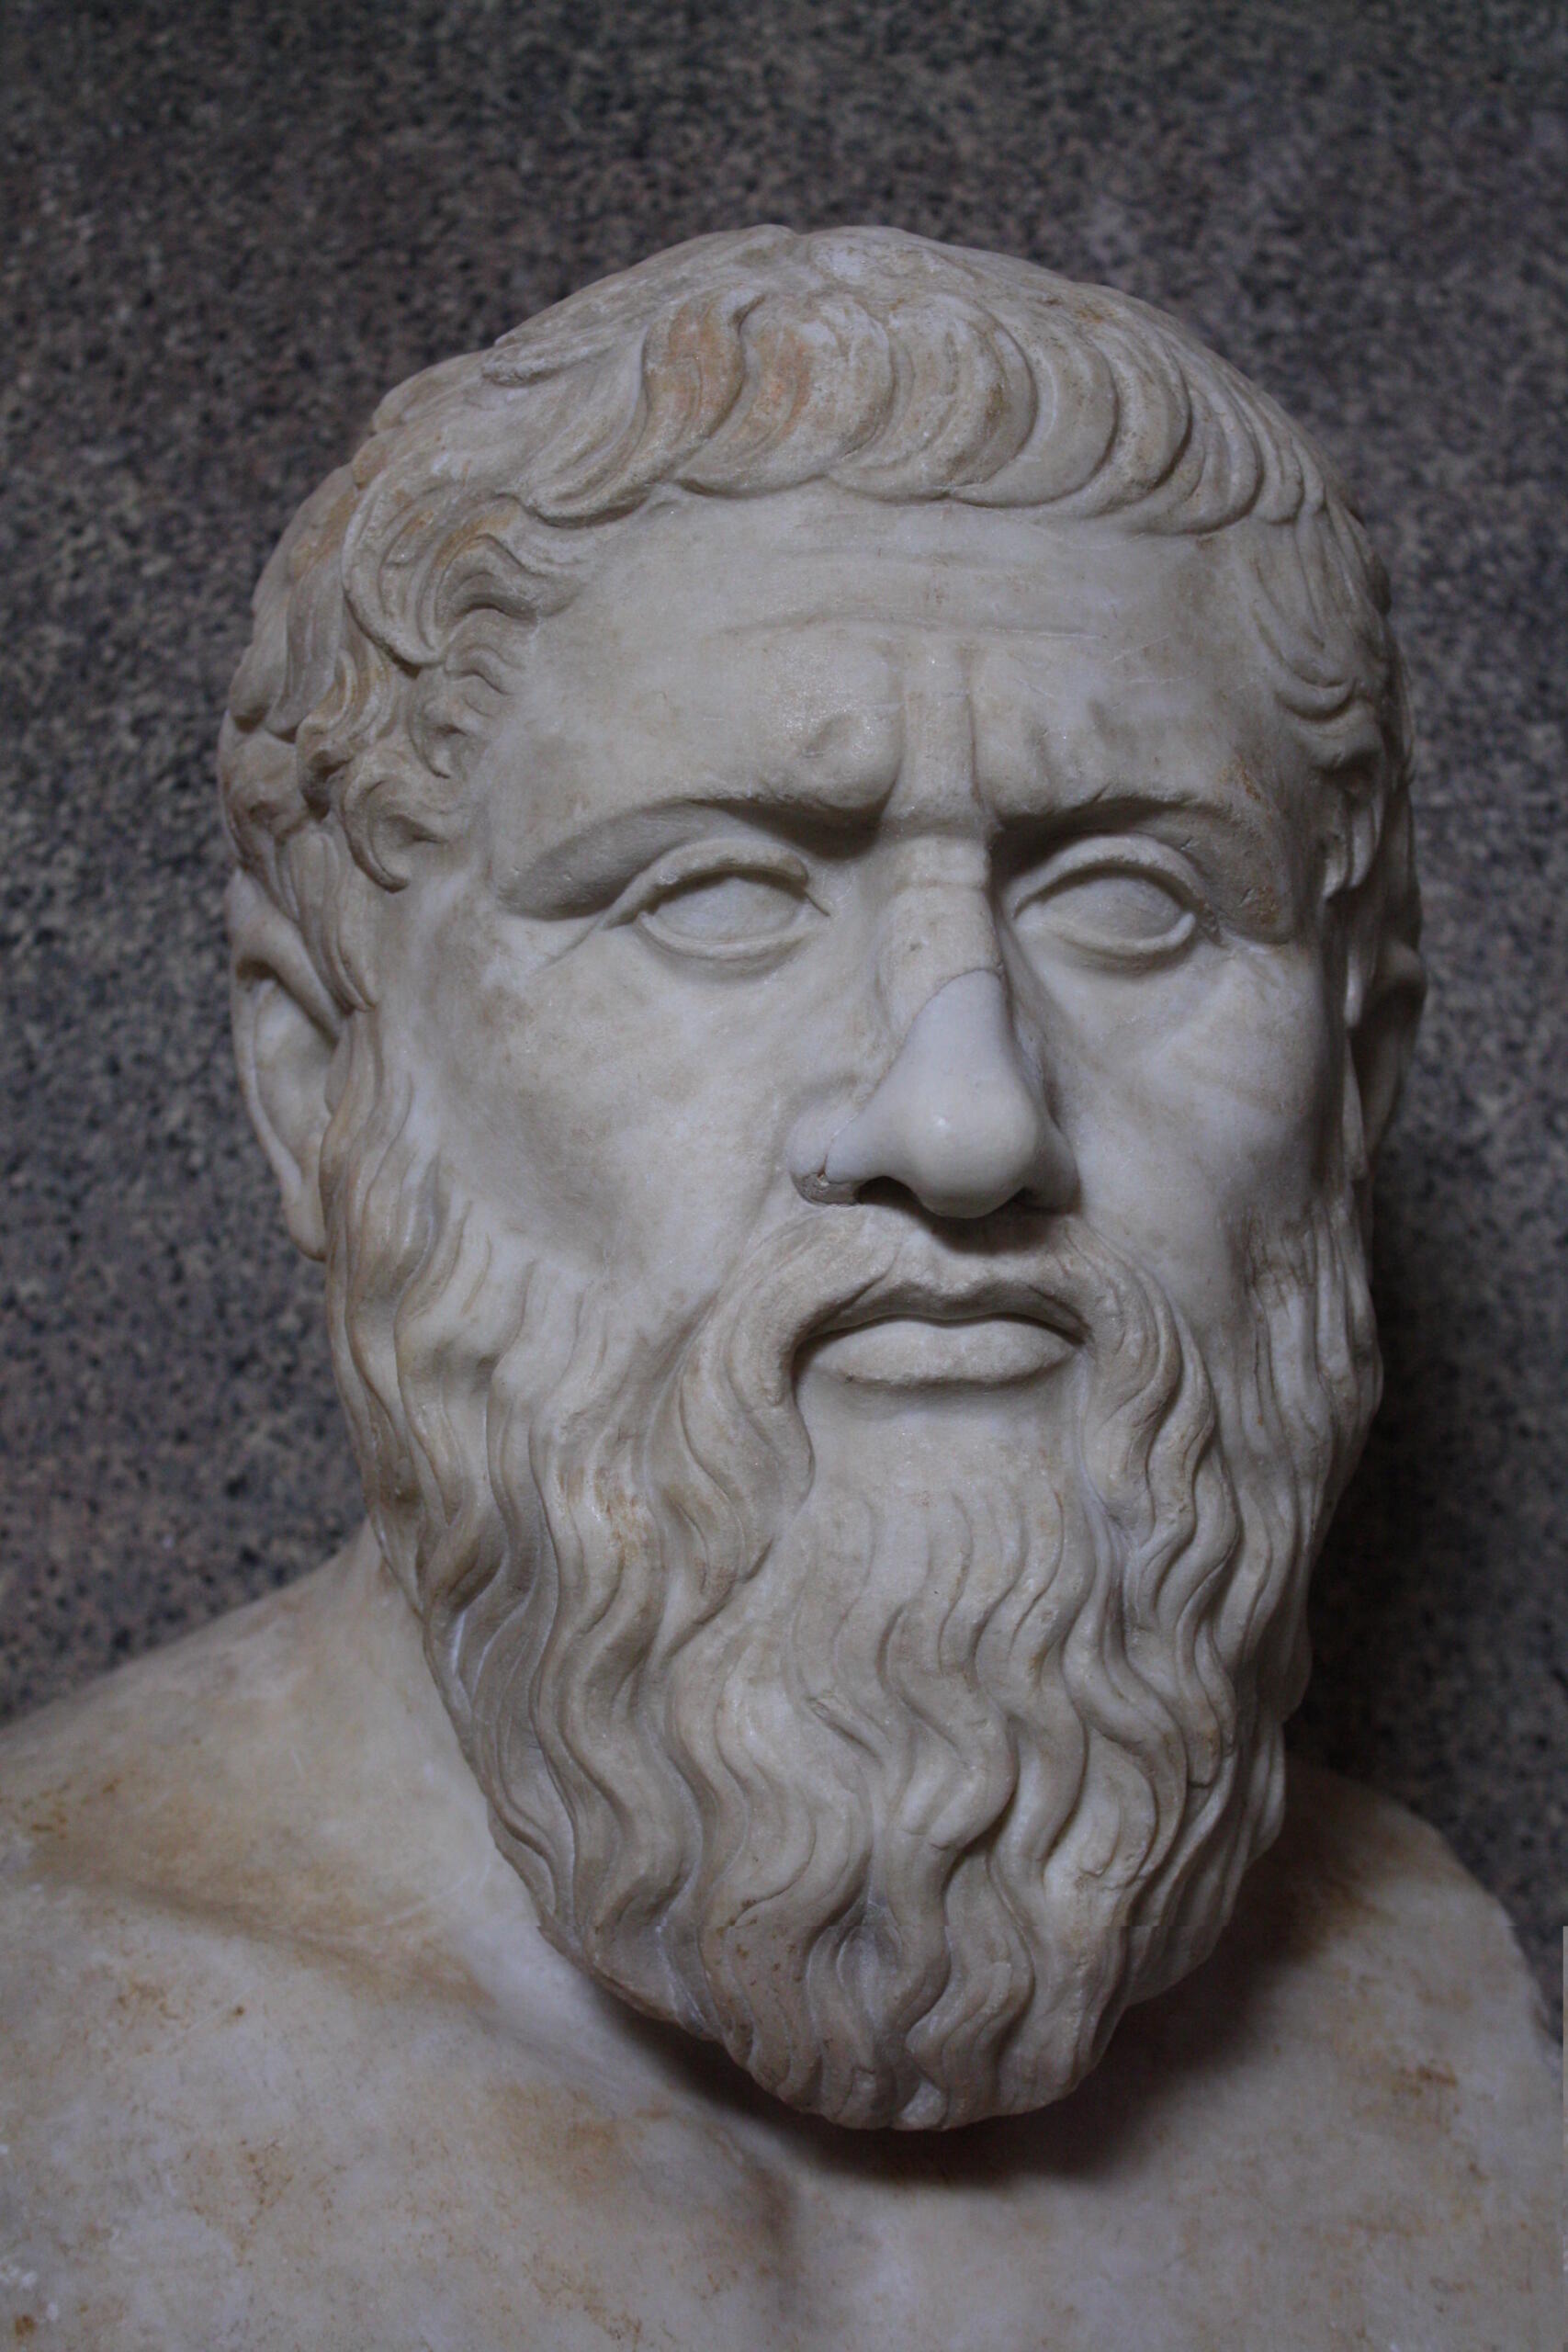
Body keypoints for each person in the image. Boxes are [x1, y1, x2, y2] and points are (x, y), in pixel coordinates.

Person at [1, 228, 1554, 2349]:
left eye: (1129, 897)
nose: (967, 1115)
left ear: (1355, 1068)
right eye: (716, 892)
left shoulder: (1438, 2025)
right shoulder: (59, 2049)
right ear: (319, 1076)